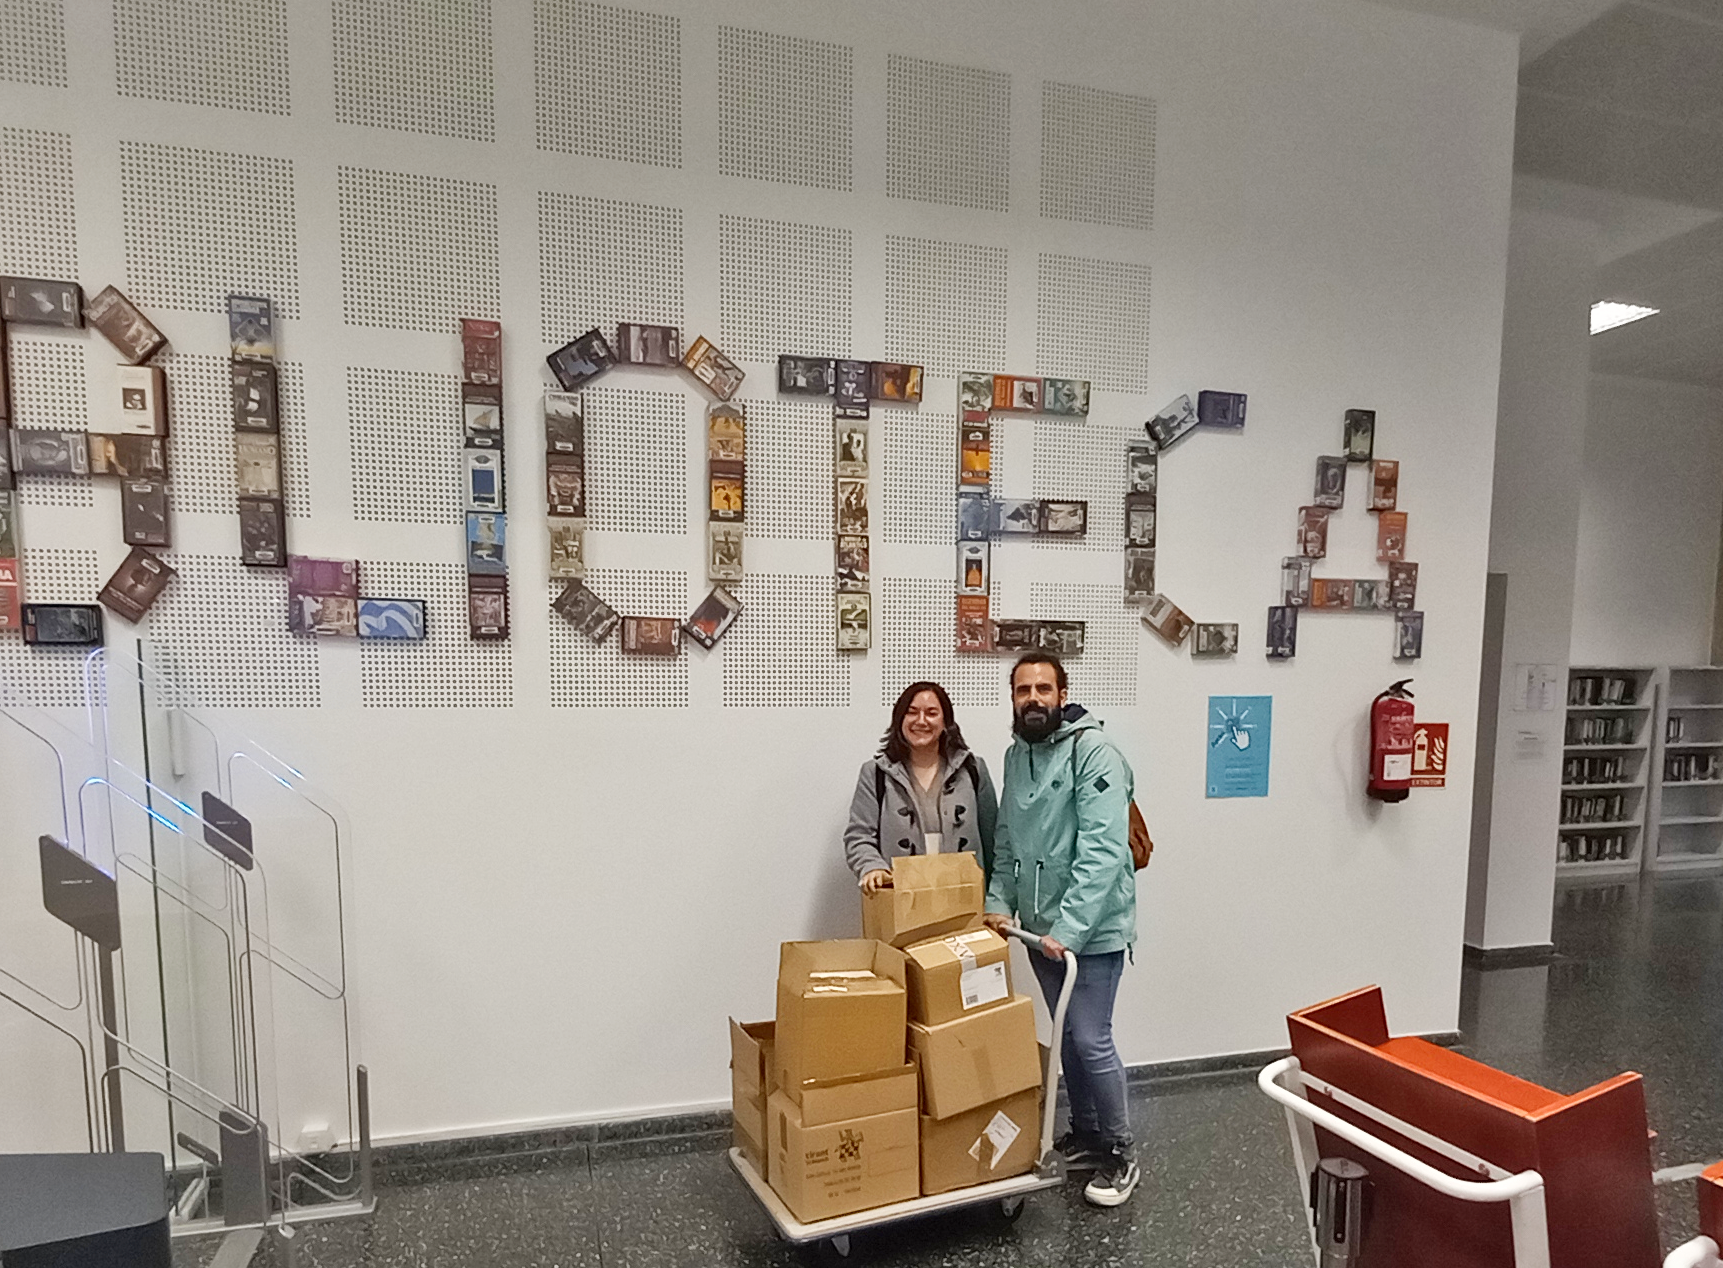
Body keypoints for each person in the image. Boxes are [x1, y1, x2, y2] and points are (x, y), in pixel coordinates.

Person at [982, 651, 1140, 1207]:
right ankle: (1089, 1135)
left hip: (1089, 932)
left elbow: (1102, 852)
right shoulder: (1013, 755)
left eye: (1043, 688)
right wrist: (1000, 902)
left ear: (1062, 693)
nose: (1032, 698)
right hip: (1040, 929)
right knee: (1066, 1036)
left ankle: (1121, 1150)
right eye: (1023, 689)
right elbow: (1007, 838)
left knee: (1091, 1039)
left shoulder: (1094, 752)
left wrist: (1070, 931)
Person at [844, 682, 998, 893]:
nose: (921, 721)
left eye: (932, 713)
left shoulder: (973, 769)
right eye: (912, 712)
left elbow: (993, 841)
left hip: (964, 895)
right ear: (900, 720)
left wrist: (995, 900)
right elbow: (859, 836)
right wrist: (872, 867)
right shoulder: (875, 773)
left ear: (946, 722)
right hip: (901, 896)